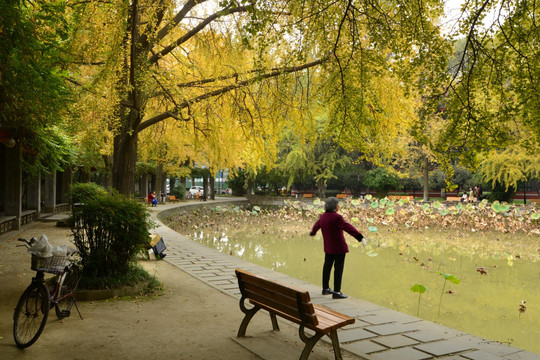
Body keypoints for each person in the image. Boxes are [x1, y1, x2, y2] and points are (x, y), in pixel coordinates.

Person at [309, 197, 366, 299]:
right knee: (338, 270)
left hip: (328, 248)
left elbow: (316, 225)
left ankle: (325, 288)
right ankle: (336, 292)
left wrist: (312, 233)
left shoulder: (323, 217)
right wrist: (360, 237)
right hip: (339, 248)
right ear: (335, 206)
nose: (339, 206)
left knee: (327, 268)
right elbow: (348, 227)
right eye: (338, 204)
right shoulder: (337, 217)